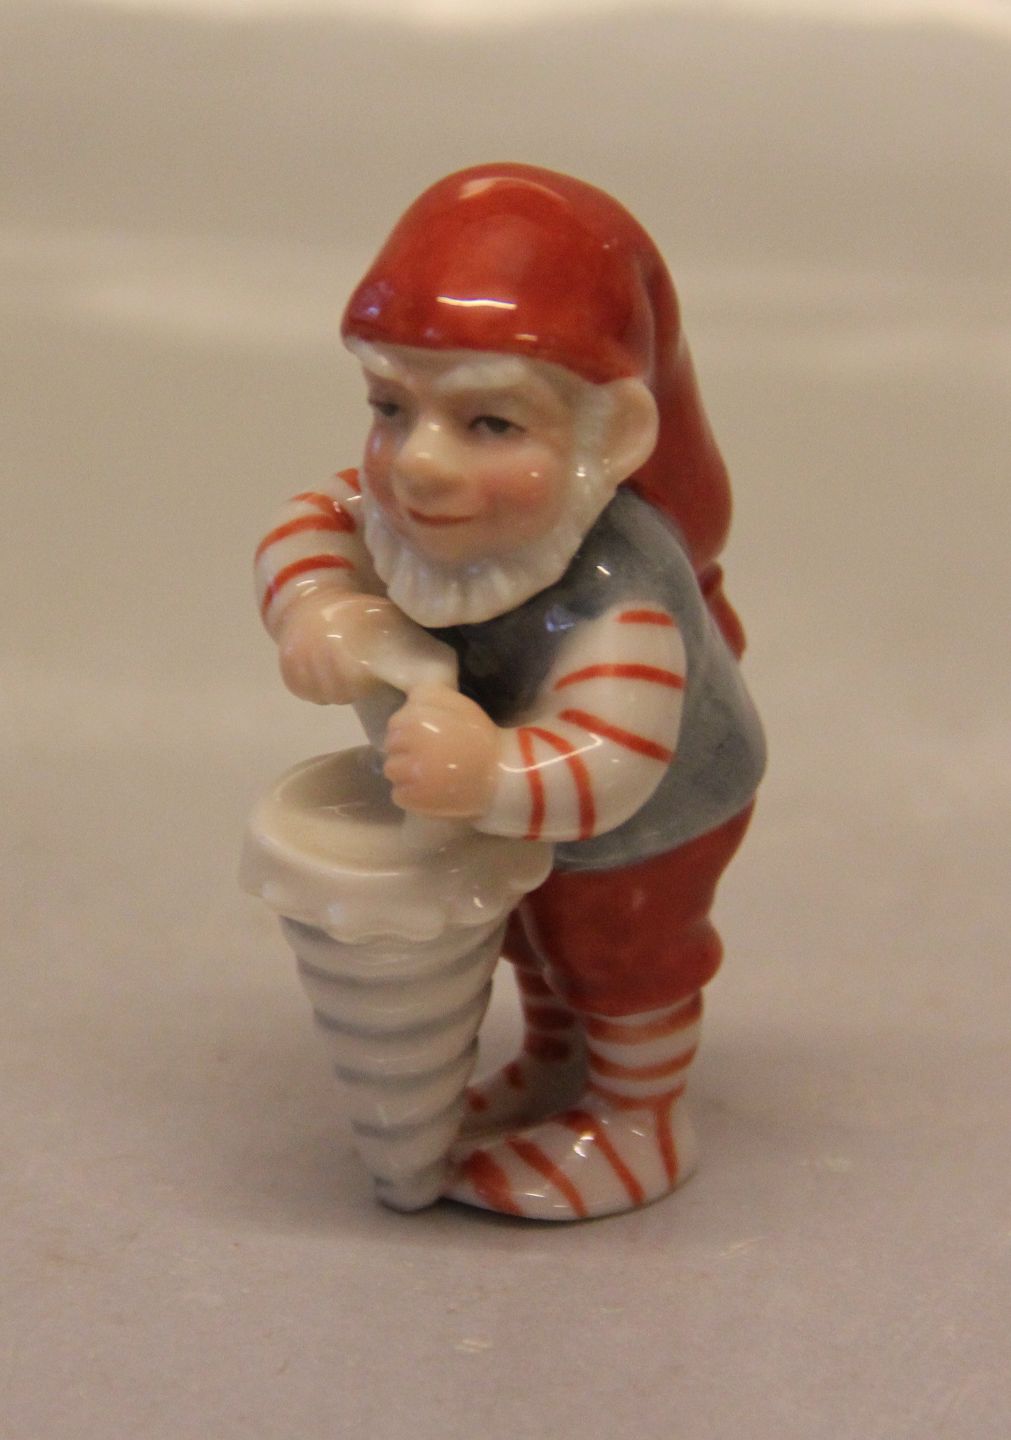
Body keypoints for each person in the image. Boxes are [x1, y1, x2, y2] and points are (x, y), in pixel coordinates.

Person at [254, 164, 765, 1219]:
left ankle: (641, 1115)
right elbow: (308, 523)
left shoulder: (622, 591)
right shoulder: (408, 513)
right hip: (522, 810)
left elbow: (612, 762)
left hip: (651, 821)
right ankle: (556, 1059)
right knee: (532, 928)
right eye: (391, 408)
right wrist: (318, 608)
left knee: (617, 950)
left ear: (610, 439)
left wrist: (488, 770)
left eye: (489, 424)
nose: (420, 464)